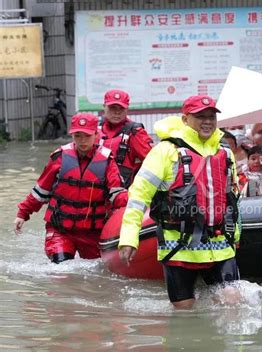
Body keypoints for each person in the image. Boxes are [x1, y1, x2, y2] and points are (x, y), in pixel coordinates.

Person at [118, 95, 241, 309]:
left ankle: (233, 343)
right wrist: (129, 238)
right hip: (179, 246)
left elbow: (233, 199)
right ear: (185, 119)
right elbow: (139, 196)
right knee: (185, 312)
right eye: (200, 116)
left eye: (211, 116)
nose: (207, 121)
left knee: (233, 300)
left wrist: (236, 235)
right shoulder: (165, 151)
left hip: (220, 244)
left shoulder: (226, 153)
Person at [13, 113, 128, 263]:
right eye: (77, 136)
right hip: (60, 230)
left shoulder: (107, 162)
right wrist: (22, 213)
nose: (82, 141)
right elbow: (40, 191)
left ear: (96, 134)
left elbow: (118, 195)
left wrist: (136, 205)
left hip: (93, 233)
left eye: (87, 136)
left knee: (94, 274)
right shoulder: (59, 158)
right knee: (62, 270)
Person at [98, 89, 154, 188]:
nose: (117, 112)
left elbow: (154, 162)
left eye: (121, 108)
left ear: (127, 109)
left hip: (123, 193)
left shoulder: (135, 132)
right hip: (95, 192)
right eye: (112, 108)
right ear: (104, 107)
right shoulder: (94, 131)